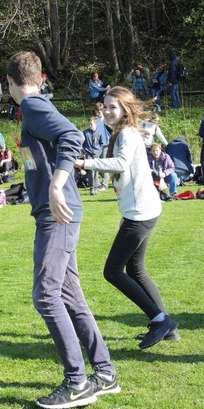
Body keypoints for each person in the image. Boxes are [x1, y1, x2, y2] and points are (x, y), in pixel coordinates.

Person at [7, 51, 118, 409]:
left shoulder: (35, 107)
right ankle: (104, 373)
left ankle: (77, 383)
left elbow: (72, 137)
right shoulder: (36, 106)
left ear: (10, 83)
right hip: (57, 215)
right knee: (70, 296)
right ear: (40, 78)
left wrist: (56, 184)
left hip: (57, 216)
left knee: (46, 295)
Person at [75, 86, 179, 350]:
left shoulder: (128, 134)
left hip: (141, 214)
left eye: (112, 107)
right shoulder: (122, 133)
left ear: (125, 109)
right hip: (141, 211)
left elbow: (120, 164)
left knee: (112, 271)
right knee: (136, 270)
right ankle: (166, 326)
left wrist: (84, 163)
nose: (107, 111)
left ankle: (160, 319)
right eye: (105, 107)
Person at [82, 117, 103, 195]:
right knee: (91, 172)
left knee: (96, 171)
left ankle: (96, 187)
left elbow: (101, 143)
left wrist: (99, 151)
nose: (90, 126)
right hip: (89, 154)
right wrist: (84, 151)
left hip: (96, 154)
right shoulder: (85, 133)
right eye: (89, 124)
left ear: (96, 124)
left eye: (91, 124)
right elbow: (82, 144)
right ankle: (91, 188)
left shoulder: (99, 133)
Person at [94, 102, 112, 191]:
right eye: (97, 111)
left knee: (104, 163)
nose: (98, 113)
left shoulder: (106, 120)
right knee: (97, 164)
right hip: (97, 145)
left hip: (106, 144)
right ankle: (97, 182)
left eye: (100, 111)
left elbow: (112, 130)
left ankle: (104, 184)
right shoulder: (95, 120)